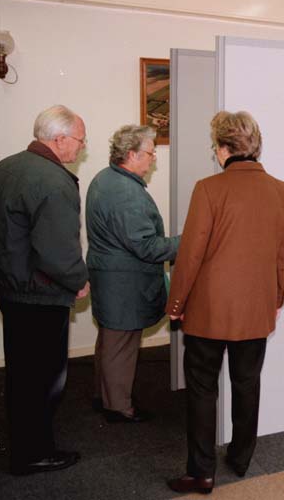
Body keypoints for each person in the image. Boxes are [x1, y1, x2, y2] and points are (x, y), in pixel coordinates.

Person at [165, 110, 284, 494]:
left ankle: (202, 472)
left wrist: (176, 304)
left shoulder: (208, 188)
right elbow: (283, 256)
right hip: (256, 308)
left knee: (203, 388)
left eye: (215, 147)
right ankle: (240, 458)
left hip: (208, 310)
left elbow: (190, 254)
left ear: (223, 149)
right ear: (254, 147)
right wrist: (276, 298)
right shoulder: (282, 190)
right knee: (247, 382)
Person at [0, 105, 89, 475]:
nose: (81, 148)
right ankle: (34, 453)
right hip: (39, 295)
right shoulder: (53, 180)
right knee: (42, 378)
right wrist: (78, 279)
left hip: (10, 288)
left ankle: (25, 445)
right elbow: (57, 250)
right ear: (59, 140)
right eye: (79, 140)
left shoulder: (2, 168)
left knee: (22, 373)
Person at [86, 125, 180, 423]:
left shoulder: (106, 178)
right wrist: (187, 241)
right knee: (120, 347)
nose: (154, 159)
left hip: (110, 277)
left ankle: (108, 395)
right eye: (151, 153)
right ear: (131, 154)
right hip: (124, 283)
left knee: (110, 341)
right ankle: (118, 408)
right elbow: (148, 247)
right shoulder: (126, 193)